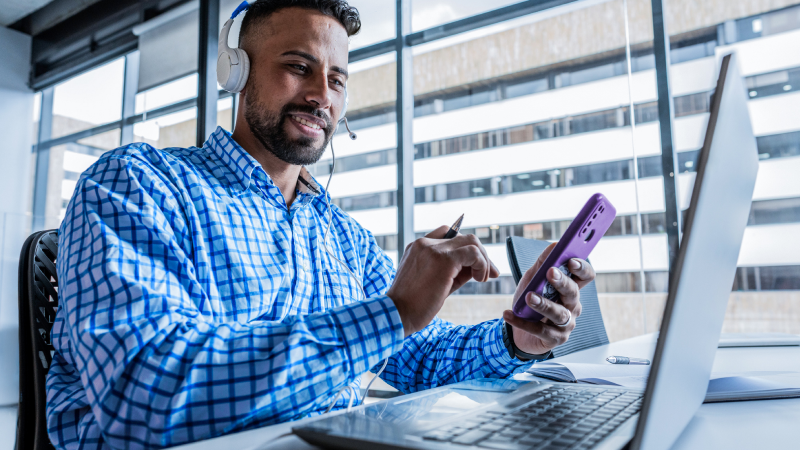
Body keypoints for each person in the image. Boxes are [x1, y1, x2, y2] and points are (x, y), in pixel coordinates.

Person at [45, 1, 595, 448]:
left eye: (337, 80)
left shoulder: (342, 236)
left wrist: (517, 338)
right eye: (298, 67)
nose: (320, 96)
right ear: (237, 71)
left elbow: (417, 353)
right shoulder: (139, 183)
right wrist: (391, 312)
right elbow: (145, 395)